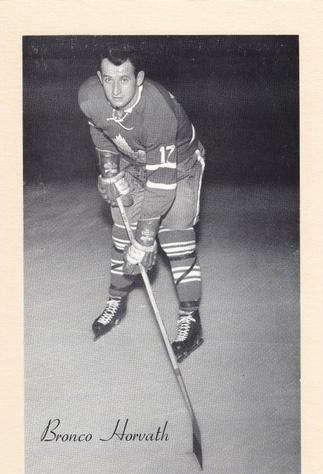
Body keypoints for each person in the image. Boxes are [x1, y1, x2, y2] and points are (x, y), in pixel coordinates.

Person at [78, 43, 205, 362]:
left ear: (140, 79)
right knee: (123, 236)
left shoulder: (157, 109)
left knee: (175, 240)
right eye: (108, 79)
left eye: (124, 79)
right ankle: (116, 301)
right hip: (131, 163)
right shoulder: (90, 97)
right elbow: (101, 133)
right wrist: (109, 172)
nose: (115, 89)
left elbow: (161, 187)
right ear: (99, 77)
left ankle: (190, 319)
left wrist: (147, 238)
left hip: (179, 167)